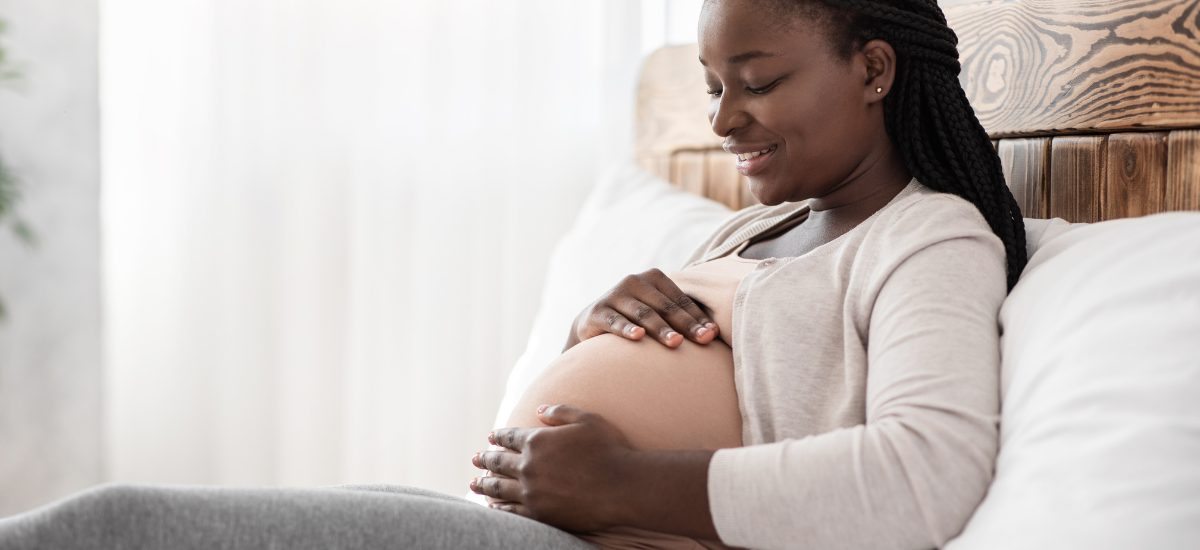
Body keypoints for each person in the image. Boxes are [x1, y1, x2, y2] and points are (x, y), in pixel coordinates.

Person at [0, 1, 1025, 549]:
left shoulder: (926, 238)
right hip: (536, 526)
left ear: (875, 69)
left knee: (116, 528)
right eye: (713, 89)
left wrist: (623, 479)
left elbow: (920, 478)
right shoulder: (744, 236)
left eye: (755, 83)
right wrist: (598, 324)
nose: (719, 122)